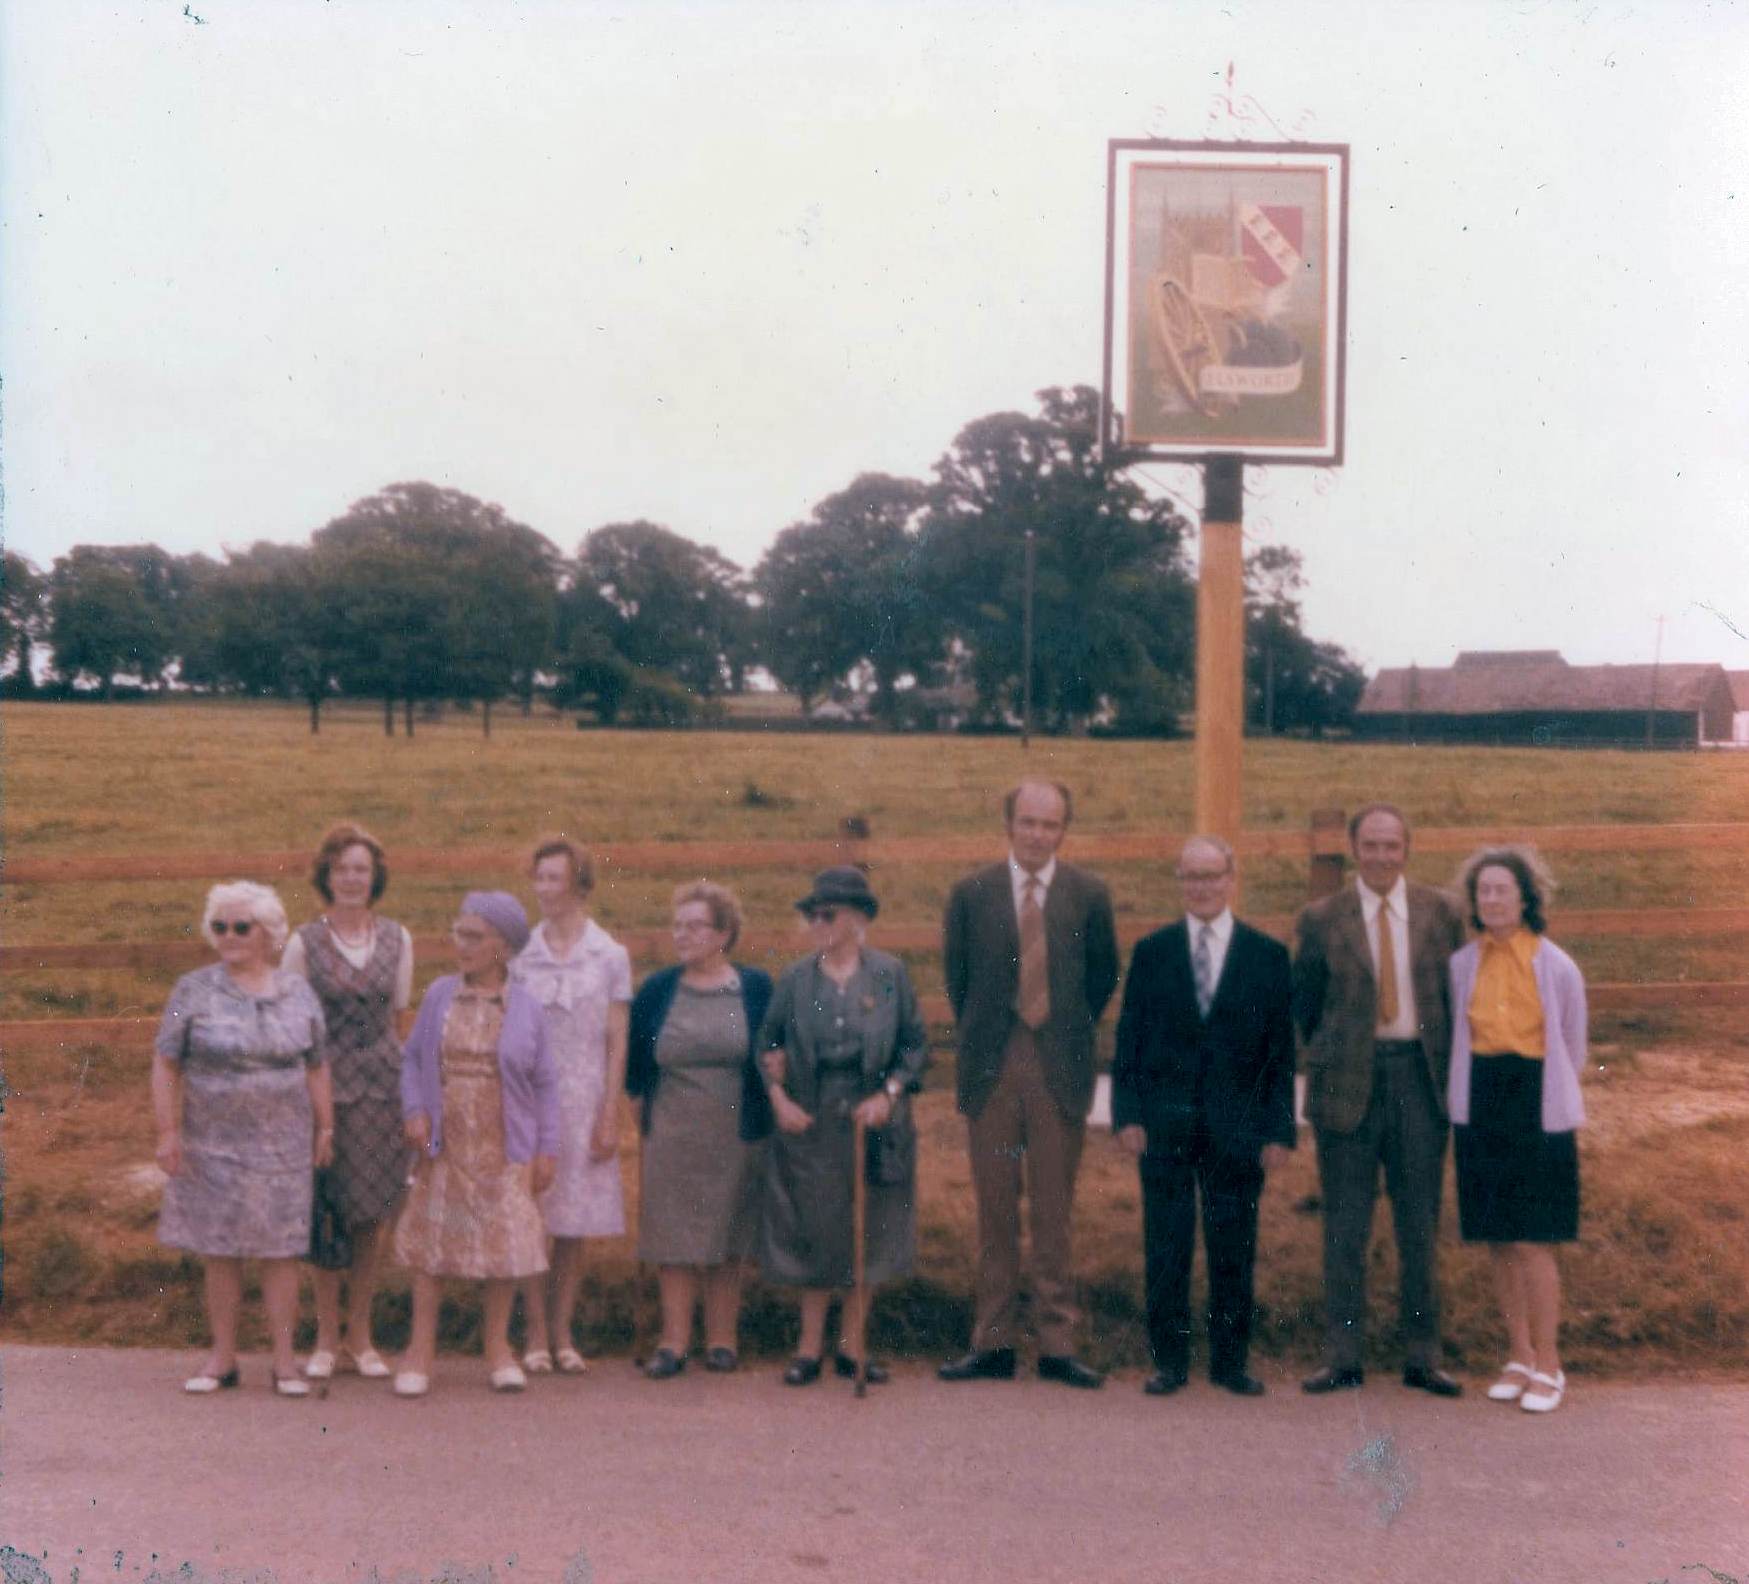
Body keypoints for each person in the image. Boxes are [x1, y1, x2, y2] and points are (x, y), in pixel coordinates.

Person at [939, 779, 1119, 1388]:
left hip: (1058, 1063)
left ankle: (1056, 1343)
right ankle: (990, 1342)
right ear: (1009, 824)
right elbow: (958, 982)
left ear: (1064, 830)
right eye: (1028, 822)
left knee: (1052, 1210)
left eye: (1051, 824)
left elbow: (1100, 981)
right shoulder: (972, 893)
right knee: (994, 1209)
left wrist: (1060, 1031)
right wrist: (996, 1033)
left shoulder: (1088, 894)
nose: (1039, 834)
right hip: (993, 1062)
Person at [1292, 802, 1467, 1396]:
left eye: (1392, 846)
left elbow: (1453, 994)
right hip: (1348, 1083)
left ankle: (1422, 1354)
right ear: (1354, 849)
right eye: (1370, 845)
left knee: (1419, 1224)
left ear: (1407, 850)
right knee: (1345, 1226)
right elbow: (1307, 1005)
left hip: (1418, 1079)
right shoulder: (1321, 918)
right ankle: (1343, 1355)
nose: (1381, 857)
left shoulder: (1441, 912)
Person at [1111, 836, 1295, 1397]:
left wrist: (1279, 1127)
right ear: (1179, 882)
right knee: (1166, 1243)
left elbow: (1280, 1054)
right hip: (1164, 1122)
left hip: (1238, 1124)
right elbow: (1129, 1042)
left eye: (1212, 876)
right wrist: (1127, 1115)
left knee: (1233, 1241)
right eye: (1191, 877)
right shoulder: (1153, 951)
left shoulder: (1266, 955)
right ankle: (1168, 1360)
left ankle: (1230, 1360)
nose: (1202, 887)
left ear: (1232, 879)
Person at [152, 881, 333, 1397]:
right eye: (220, 926)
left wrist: (326, 1126)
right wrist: (168, 1131)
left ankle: (284, 1363)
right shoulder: (193, 990)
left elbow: (317, 1064)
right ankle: (223, 1358)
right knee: (220, 1250)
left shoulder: (297, 991)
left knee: (281, 1253)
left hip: (284, 1146)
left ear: (269, 934)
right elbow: (166, 1061)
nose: (228, 936)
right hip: (213, 1144)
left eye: (240, 926)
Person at [757, 867, 930, 1386]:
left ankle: (854, 1346)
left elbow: (915, 1046)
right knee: (816, 1228)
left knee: (869, 1229)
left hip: (873, 1120)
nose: (816, 923)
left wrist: (888, 1095)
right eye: (811, 914)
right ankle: (808, 1348)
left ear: (857, 920)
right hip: (812, 1121)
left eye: (827, 914)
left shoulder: (890, 974)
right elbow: (765, 1046)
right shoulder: (794, 979)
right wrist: (779, 1098)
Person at [392, 891, 557, 1398]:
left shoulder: (527, 1007)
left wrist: (547, 1148)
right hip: (446, 1142)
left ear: (502, 947)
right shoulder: (441, 994)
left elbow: (547, 1083)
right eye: (458, 933)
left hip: (505, 1144)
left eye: (473, 936)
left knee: (502, 1246)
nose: (460, 944)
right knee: (433, 1247)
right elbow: (413, 1060)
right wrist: (416, 1110)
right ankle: (420, 1353)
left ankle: (498, 1349)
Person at [1448, 846, 1586, 1414]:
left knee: (1533, 1239)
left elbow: (1572, 1046)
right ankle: (1519, 1354)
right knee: (1499, 1238)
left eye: (1503, 889)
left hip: (1536, 1103)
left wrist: (1547, 1094)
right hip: (1481, 1103)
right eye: (1483, 891)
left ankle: (1550, 1364)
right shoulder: (1461, 965)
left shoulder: (1556, 965)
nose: (1492, 899)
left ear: (1527, 898)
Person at [283, 823, 414, 1382]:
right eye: (342, 870)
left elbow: (400, 1017)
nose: (352, 879)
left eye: (362, 869)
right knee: (327, 1208)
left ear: (375, 876)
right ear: (326, 877)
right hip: (324, 1086)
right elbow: (293, 1023)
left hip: (381, 1087)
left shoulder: (398, 939)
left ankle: (361, 1336)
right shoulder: (302, 942)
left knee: (371, 1215)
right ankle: (326, 1335)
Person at [626, 881, 772, 1378]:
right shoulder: (657, 990)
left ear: (724, 933)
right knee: (672, 1236)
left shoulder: (754, 988)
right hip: (672, 1129)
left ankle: (722, 1341)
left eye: (695, 926)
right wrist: (645, 1121)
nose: (683, 935)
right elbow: (636, 1072)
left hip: (734, 1129)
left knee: (727, 1236)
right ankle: (672, 1342)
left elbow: (770, 1057)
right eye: (678, 926)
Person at [509, 836, 631, 1377]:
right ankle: (534, 1331)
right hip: (532, 1100)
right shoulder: (521, 954)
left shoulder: (610, 955)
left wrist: (611, 1113)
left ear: (580, 884)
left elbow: (617, 1041)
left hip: (586, 1099)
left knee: (573, 1223)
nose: (544, 889)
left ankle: (563, 1330)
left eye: (555, 878)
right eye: (539, 878)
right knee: (531, 1216)